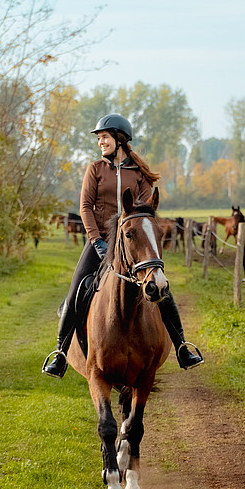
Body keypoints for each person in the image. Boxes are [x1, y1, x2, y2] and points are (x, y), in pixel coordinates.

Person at [41, 113, 203, 378]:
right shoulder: (95, 169)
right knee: (76, 291)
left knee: (162, 289)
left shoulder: (138, 173)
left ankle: (182, 346)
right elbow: (85, 207)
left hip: (132, 242)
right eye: (99, 138)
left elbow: (145, 211)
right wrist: (96, 241)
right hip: (101, 241)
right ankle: (60, 353)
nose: (100, 142)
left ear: (120, 139)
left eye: (104, 137)